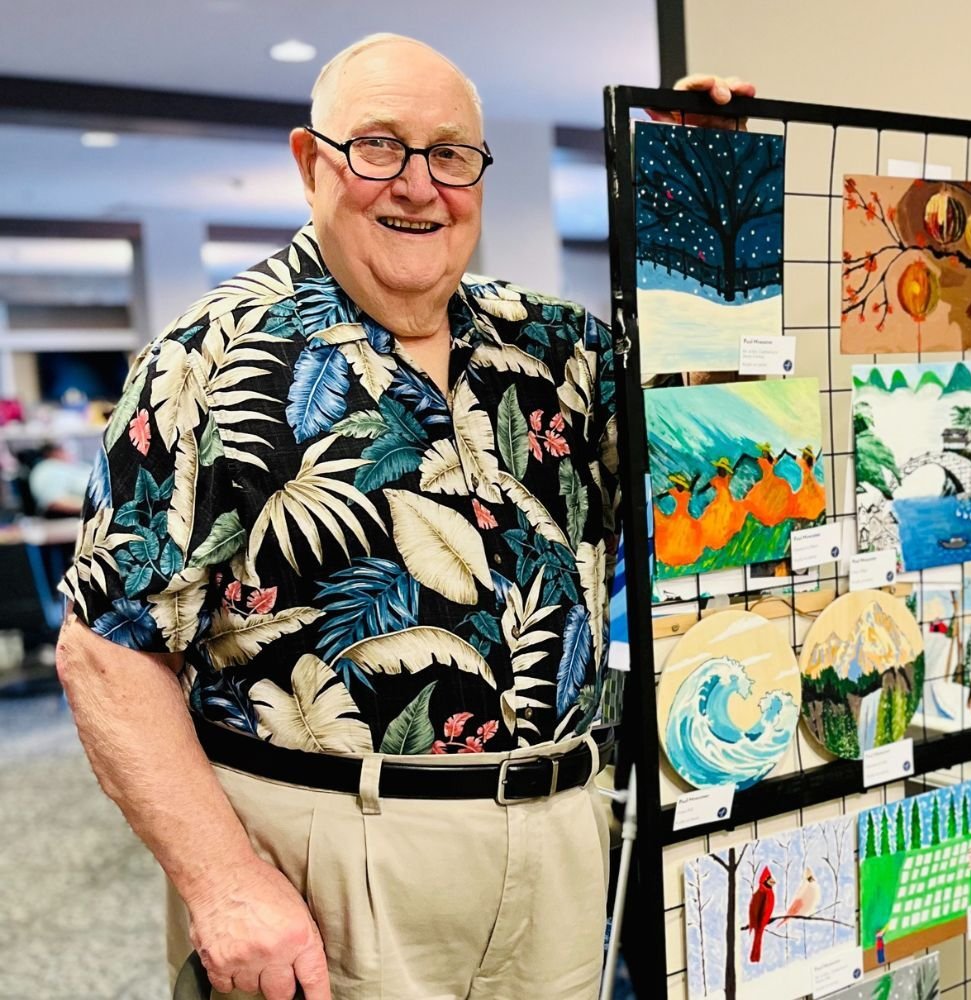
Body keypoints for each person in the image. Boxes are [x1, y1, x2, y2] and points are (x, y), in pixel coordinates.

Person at [54, 34, 753, 1000]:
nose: (419, 186)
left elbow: (715, 436)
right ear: (312, 165)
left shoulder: (554, 347)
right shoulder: (215, 359)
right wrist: (222, 885)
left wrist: (695, 170)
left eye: (450, 155)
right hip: (333, 863)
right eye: (378, 147)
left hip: (558, 848)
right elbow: (107, 652)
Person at [27, 441, 91, 516]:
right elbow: (54, 502)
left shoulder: (76, 466)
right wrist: (96, 509)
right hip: (71, 517)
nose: (71, 452)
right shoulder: (47, 468)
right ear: (53, 452)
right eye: (65, 449)